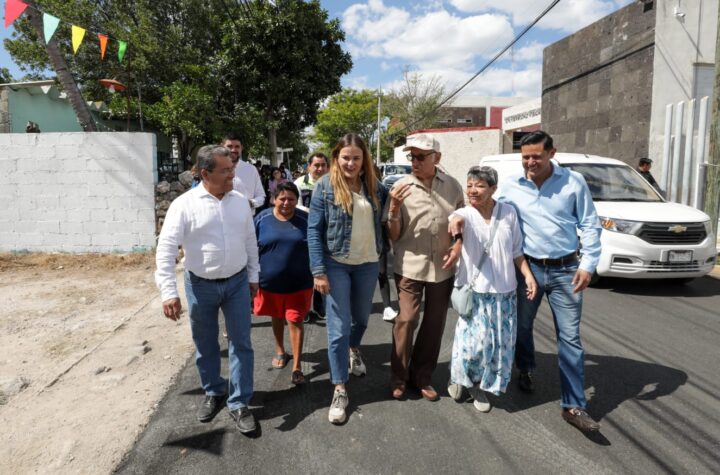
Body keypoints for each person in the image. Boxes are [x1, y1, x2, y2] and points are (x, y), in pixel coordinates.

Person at [497, 130, 602, 432]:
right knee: (522, 327)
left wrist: (588, 264)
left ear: (552, 153)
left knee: (569, 338)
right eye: (525, 157)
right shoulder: (511, 185)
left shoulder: (573, 182)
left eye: (537, 157)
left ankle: (573, 406)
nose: (530, 162)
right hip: (528, 271)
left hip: (567, 271)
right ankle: (526, 367)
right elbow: (494, 217)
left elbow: (590, 225)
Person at [155, 145, 259, 434]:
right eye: (225, 170)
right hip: (200, 285)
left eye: (232, 168)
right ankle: (214, 391)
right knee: (206, 344)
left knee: (242, 343)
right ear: (205, 173)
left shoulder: (240, 201)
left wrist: (254, 276)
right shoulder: (184, 205)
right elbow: (166, 249)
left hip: (237, 283)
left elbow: (250, 241)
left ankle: (239, 402)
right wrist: (168, 292)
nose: (232, 175)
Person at [307, 133, 388, 424]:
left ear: (364, 159)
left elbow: (388, 218)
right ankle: (339, 388)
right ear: (336, 158)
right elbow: (313, 230)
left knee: (362, 320)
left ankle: (354, 350)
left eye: (356, 158)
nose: (351, 163)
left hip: (367, 263)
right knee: (338, 328)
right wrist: (318, 271)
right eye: (345, 158)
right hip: (336, 264)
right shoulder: (324, 186)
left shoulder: (375, 187)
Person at [445, 166, 537, 412]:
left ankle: (479, 385)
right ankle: (460, 377)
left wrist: (528, 276)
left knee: (497, 346)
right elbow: (456, 221)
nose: (472, 190)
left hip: (505, 292)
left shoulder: (508, 212)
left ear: (494, 188)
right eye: (469, 185)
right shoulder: (464, 213)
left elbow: (516, 251)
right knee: (473, 344)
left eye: (480, 185)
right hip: (475, 291)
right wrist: (455, 228)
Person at [385, 133, 464, 401]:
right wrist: (394, 208)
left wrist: (458, 245)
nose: (415, 162)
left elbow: (463, 221)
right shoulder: (401, 187)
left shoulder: (453, 186)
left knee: (434, 323)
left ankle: (422, 377)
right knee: (406, 319)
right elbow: (393, 235)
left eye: (420, 157)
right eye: (412, 157)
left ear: (436, 158)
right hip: (409, 266)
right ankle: (398, 377)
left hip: (442, 267)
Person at [253, 182, 313, 385]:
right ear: (273, 199)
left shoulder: (306, 219)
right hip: (269, 283)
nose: (286, 203)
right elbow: (250, 247)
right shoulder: (261, 219)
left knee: (295, 320)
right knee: (276, 315)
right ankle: (280, 350)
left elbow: (317, 245)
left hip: (300, 283)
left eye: (291, 199)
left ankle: (297, 366)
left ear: (297, 200)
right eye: (282, 199)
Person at [294, 152, 330, 323]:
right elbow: (295, 205)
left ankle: (320, 306)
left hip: (327, 233)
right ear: (309, 166)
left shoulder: (332, 182)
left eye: (323, 165)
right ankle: (304, 308)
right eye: (316, 165)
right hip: (304, 230)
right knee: (304, 271)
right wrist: (311, 211)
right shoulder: (299, 183)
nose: (320, 168)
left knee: (322, 269)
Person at [221, 132, 266, 212]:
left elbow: (261, 196)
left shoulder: (251, 170)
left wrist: (250, 203)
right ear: (222, 147)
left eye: (237, 146)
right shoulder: (214, 169)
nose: (233, 150)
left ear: (241, 148)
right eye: (229, 146)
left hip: (247, 217)